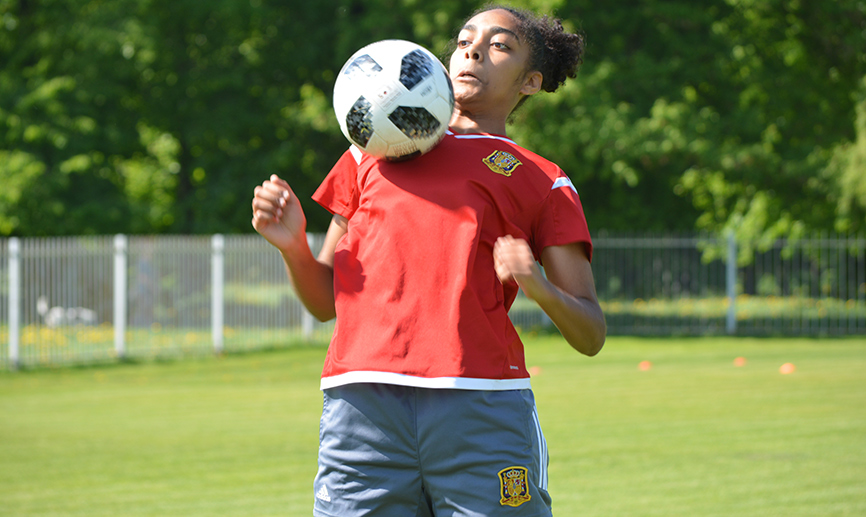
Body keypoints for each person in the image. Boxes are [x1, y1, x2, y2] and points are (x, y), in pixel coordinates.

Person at [252, 5, 606, 516]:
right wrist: (293, 247)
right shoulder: (369, 148)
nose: (473, 51)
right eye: (464, 41)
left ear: (531, 82)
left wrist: (538, 286)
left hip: (481, 407)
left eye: (499, 45)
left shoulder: (542, 179)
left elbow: (590, 334)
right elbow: (325, 302)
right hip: (362, 411)